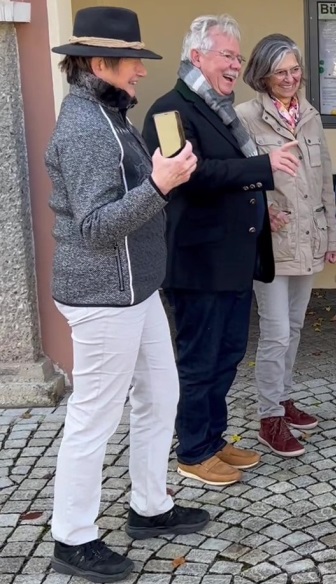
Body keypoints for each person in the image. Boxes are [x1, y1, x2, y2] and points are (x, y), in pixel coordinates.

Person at [46, 7, 209, 582]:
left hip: (136, 291)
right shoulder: (88, 129)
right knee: (94, 415)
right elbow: (93, 227)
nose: (140, 73)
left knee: (160, 395)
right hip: (104, 297)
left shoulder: (107, 116)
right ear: (98, 64)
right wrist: (161, 186)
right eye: (132, 63)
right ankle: (72, 536)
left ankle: (149, 506)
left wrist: (163, 179)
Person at [142, 14, 300, 486]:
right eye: (227, 55)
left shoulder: (219, 108)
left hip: (230, 261)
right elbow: (189, 177)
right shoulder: (170, 111)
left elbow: (227, 179)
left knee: (227, 355)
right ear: (197, 57)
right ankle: (192, 451)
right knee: (200, 362)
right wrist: (263, 166)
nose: (236, 64)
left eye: (238, 56)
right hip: (198, 264)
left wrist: (258, 212)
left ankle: (213, 439)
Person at [236, 34, 336, 457]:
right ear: (262, 74)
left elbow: (324, 182)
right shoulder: (244, 117)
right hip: (272, 241)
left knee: (294, 328)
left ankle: (283, 397)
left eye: (295, 70)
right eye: (281, 71)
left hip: (310, 238)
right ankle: (268, 416)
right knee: (276, 332)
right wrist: (260, 210)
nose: (291, 78)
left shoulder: (311, 116)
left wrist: (331, 235)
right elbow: (236, 179)